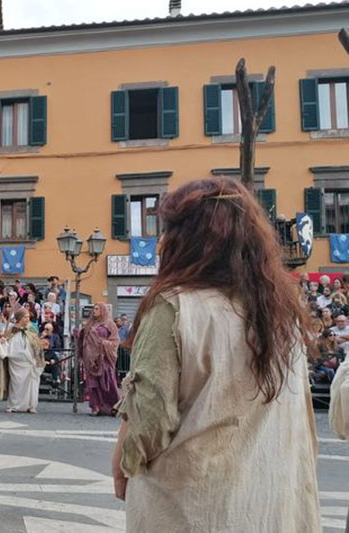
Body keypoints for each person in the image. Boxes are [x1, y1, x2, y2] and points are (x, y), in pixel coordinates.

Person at [111, 178, 320, 532]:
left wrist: (123, 460)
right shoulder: (284, 313)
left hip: (194, 509)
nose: (161, 242)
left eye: (169, 231)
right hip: (274, 504)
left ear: (190, 239)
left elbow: (149, 424)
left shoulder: (173, 307)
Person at [0, 308, 45, 413]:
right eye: (25, 317)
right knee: (16, 384)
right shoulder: (12, 329)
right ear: (19, 318)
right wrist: (3, 341)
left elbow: (36, 344)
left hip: (30, 362)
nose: (28, 319)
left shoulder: (31, 329)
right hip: (16, 362)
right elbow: (5, 340)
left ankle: (31, 405)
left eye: (28, 316)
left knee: (32, 384)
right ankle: (14, 405)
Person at [79, 302, 121, 417]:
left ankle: (113, 406)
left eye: (97, 309)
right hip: (90, 358)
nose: (95, 311)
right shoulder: (90, 323)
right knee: (93, 384)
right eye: (94, 309)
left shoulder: (110, 324)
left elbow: (115, 341)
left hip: (104, 358)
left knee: (108, 381)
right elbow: (84, 338)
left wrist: (103, 343)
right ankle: (96, 406)